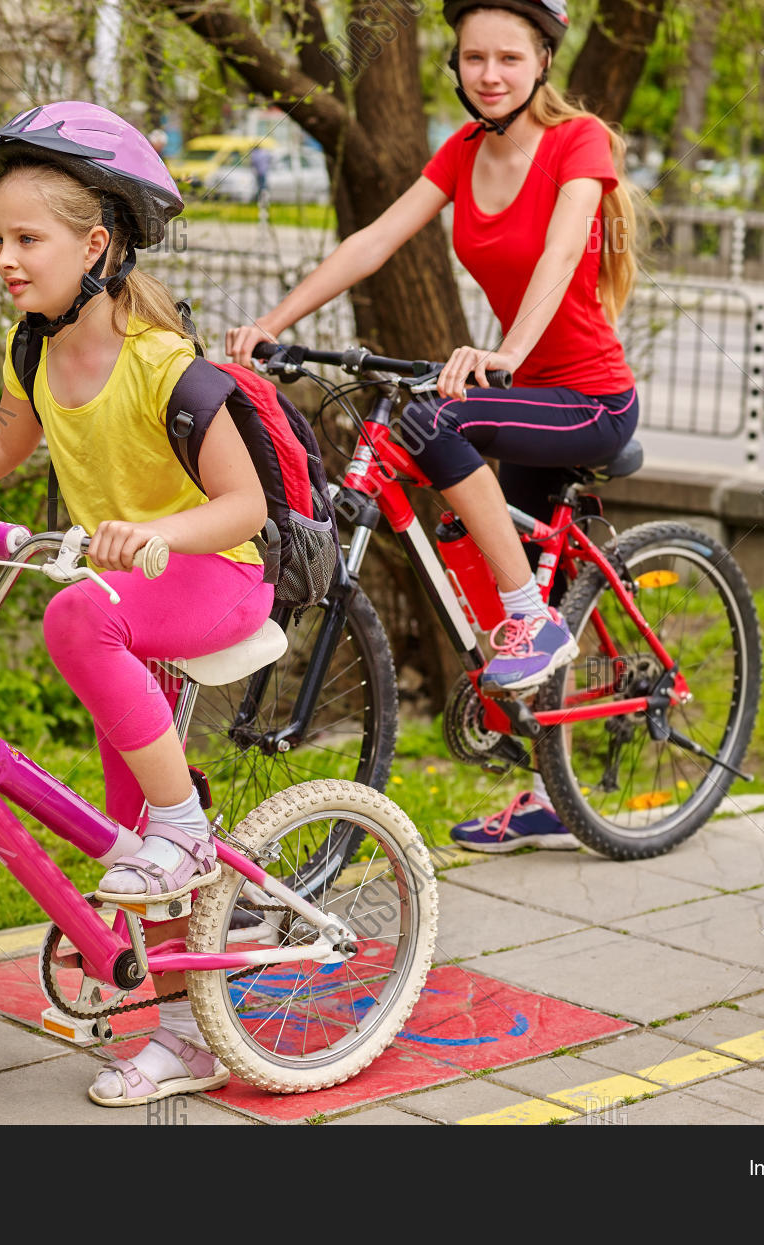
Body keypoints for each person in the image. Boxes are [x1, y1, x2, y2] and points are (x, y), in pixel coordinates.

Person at [0, 101, 272, 1104]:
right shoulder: (33, 349)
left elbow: (245, 506)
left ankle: (186, 826)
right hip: (127, 599)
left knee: (77, 620)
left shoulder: (167, 367)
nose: (5, 258)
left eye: (26, 239)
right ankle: (187, 1032)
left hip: (214, 576)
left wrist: (152, 535)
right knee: (129, 834)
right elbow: (5, 443)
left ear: (94, 246)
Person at [225, 0, 642, 853]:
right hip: (525, 399)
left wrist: (505, 352)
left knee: (433, 425)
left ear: (543, 61)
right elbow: (373, 241)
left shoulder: (580, 142)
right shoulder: (461, 152)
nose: (489, 74)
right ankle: (547, 787)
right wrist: (273, 323)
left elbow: (564, 252)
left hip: (590, 400)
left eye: (509, 58)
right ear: (455, 63)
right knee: (463, 516)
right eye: (474, 57)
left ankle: (531, 616)